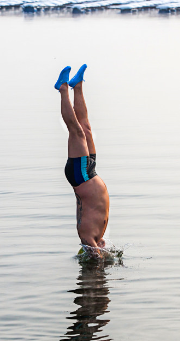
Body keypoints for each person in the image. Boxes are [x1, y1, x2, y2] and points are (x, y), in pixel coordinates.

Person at [54, 64, 110, 256]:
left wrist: (98, 256)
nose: (100, 248)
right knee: (85, 129)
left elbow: (95, 255)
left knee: (76, 132)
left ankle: (63, 89)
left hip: (81, 176)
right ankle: (76, 86)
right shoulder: (96, 237)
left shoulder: (86, 238)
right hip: (89, 173)